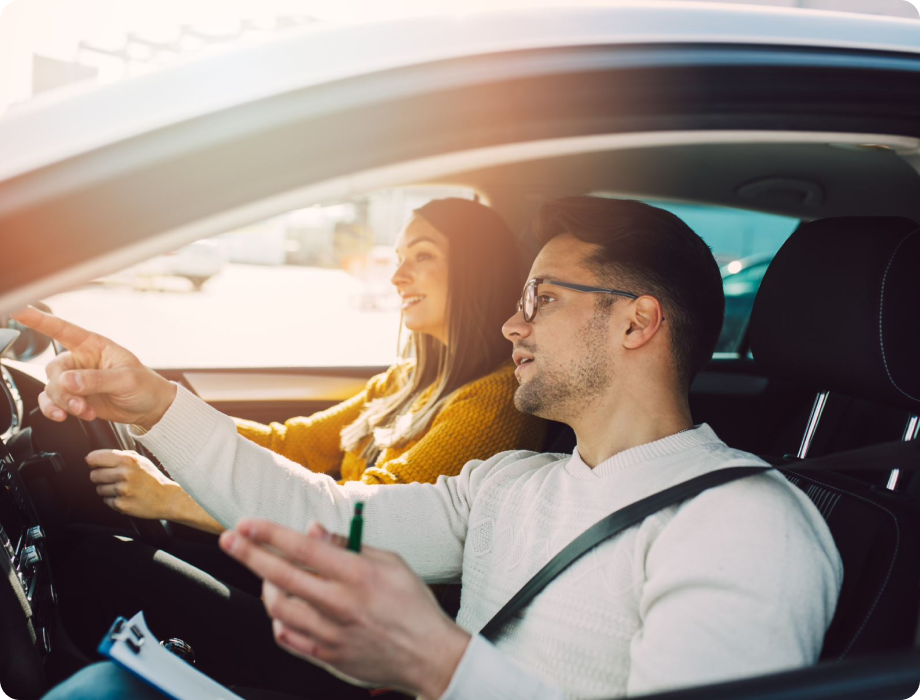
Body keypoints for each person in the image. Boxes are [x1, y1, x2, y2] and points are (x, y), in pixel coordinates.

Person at [29, 196, 842, 700]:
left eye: (543, 299)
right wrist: (158, 405)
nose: (510, 324)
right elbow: (323, 511)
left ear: (637, 321)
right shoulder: (508, 485)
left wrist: (439, 667)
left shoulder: (746, 526)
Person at [81, 197, 546, 534]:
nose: (397, 275)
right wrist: (157, 410)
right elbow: (294, 445)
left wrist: (171, 498)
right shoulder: (406, 380)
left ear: (476, 270)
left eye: (423, 256)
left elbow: (359, 524)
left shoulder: (492, 400)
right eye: (400, 257)